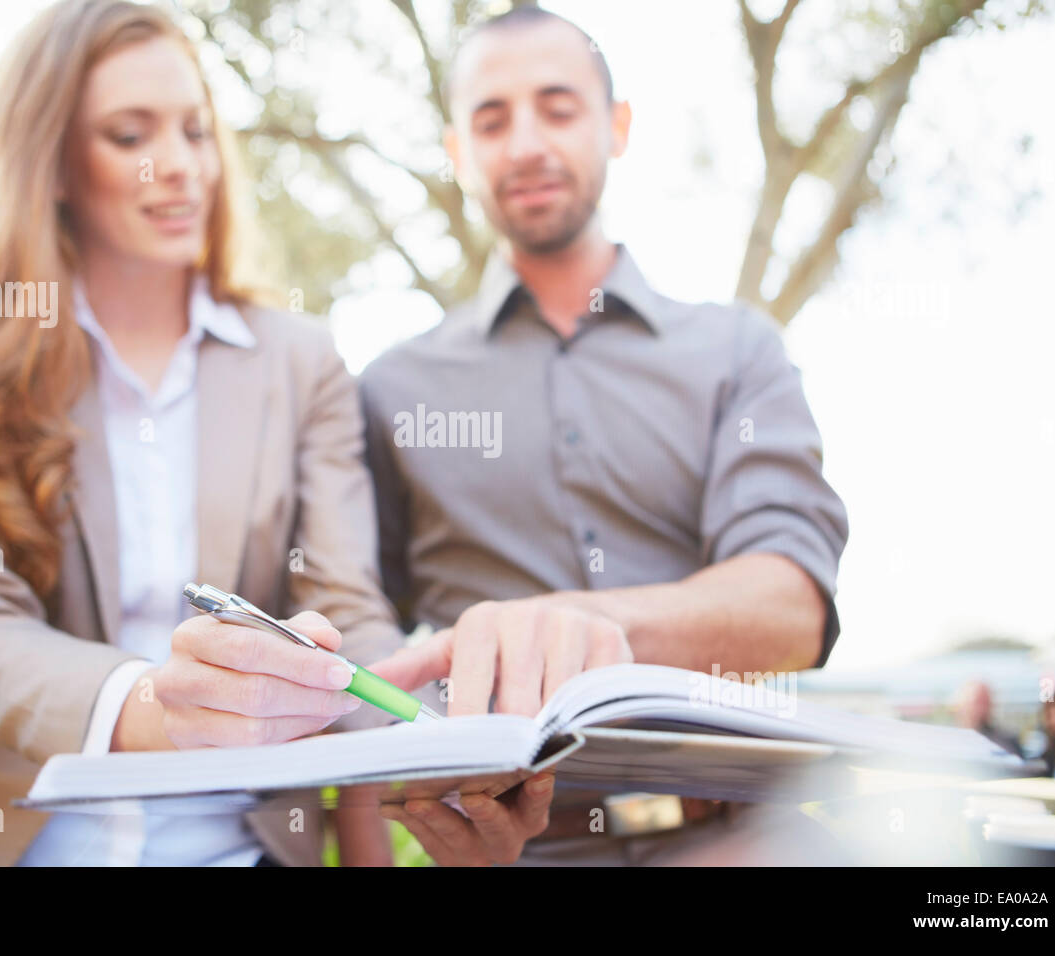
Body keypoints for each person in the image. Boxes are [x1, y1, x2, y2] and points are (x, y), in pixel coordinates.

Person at [0, 0, 406, 867]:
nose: (178, 168)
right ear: (51, 165)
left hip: (240, 846)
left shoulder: (301, 359)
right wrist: (152, 703)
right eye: (130, 137)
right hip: (8, 844)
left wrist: (434, 714)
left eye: (196, 132)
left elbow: (346, 615)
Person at [361, 7, 849, 865]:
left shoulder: (736, 349)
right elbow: (361, 630)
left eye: (558, 107)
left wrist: (575, 626)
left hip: (745, 838)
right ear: (456, 150)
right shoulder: (389, 390)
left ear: (616, 127)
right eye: (490, 119)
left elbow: (792, 608)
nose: (524, 145)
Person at [954, 680, 1021, 757]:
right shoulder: (950, 739)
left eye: (983, 702)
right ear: (961, 703)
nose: (979, 708)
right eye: (975, 701)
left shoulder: (1005, 741)